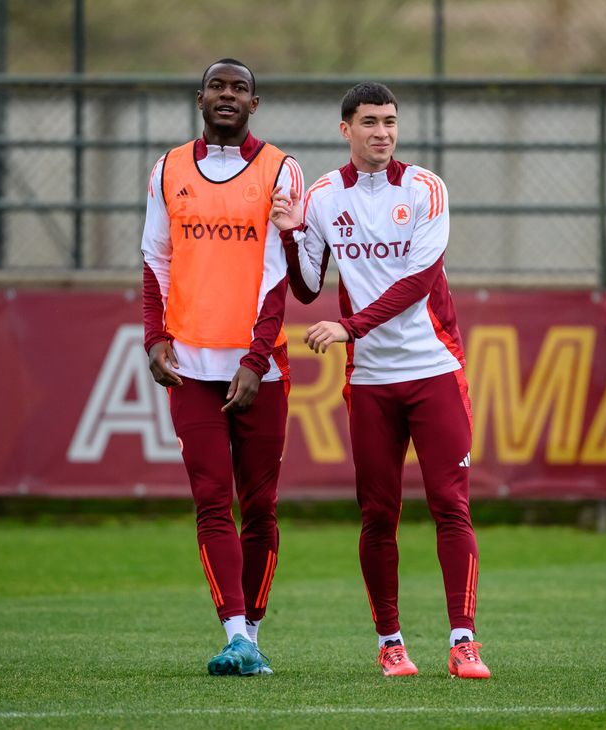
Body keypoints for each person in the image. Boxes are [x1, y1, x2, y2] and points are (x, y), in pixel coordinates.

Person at [269, 81, 490, 679]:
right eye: (369, 122)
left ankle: (464, 641)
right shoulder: (321, 197)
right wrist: (290, 232)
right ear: (346, 130)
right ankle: (391, 643)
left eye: (390, 122)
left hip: (434, 369)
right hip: (370, 380)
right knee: (377, 514)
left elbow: (418, 282)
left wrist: (350, 326)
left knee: (451, 506)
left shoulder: (425, 188)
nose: (382, 133)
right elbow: (307, 287)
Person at [142, 58, 303, 676]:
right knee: (212, 500)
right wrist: (155, 337)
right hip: (190, 365)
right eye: (217, 86)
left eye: (239, 88)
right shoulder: (167, 169)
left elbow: (278, 277)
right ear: (200, 97)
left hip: (260, 368)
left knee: (259, 508)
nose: (227, 95)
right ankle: (235, 634)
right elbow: (155, 261)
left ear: (254, 104)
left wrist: (256, 360)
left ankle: (252, 633)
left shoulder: (280, 169)